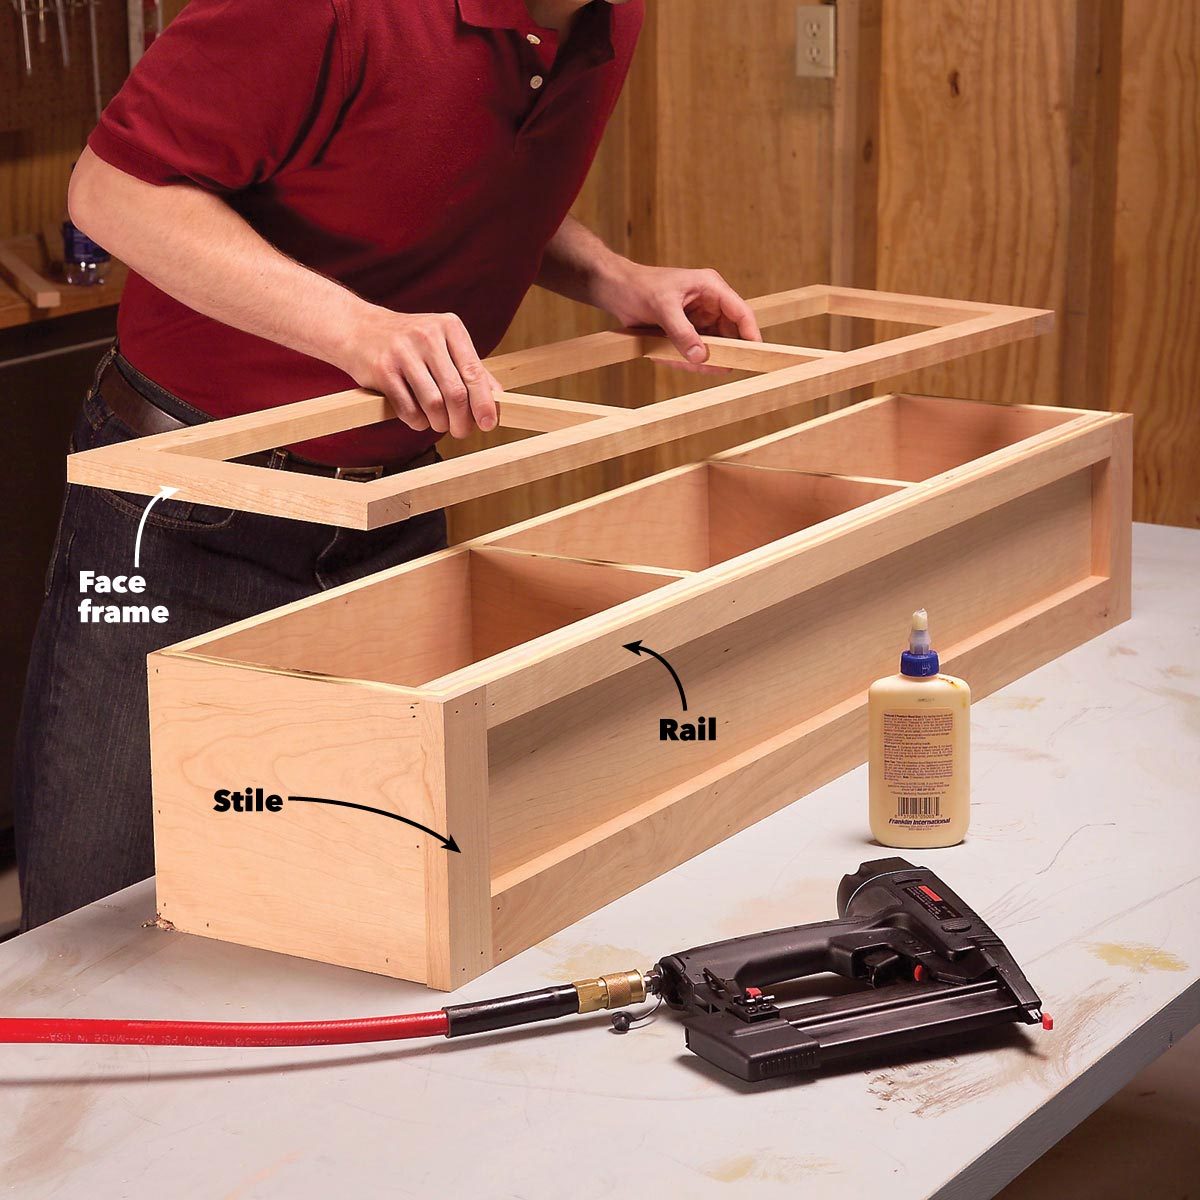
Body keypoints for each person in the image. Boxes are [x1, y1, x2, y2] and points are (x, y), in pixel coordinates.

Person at [13, 0, 762, 930]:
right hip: (180, 508)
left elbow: (454, 181)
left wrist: (611, 274)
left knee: (347, 893)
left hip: (390, 508)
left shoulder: (606, 20)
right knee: (102, 914)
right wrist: (356, 330)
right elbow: (109, 191)